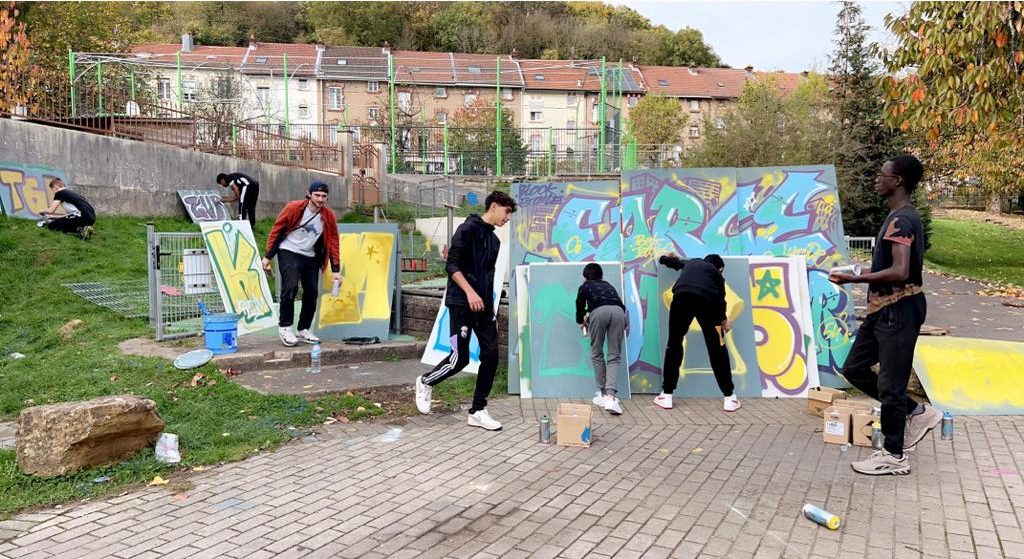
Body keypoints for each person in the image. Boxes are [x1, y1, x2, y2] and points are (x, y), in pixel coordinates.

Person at [830, 155, 939, 476]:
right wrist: (856, 271)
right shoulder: (896, 217)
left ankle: (894, 456)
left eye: (883, 174)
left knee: (891, 384)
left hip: (899, 311)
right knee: (855, 368)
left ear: (898, 181)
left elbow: (901, 270)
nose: (878, 179)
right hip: (883, 311)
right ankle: (916, 412)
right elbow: (886, 267)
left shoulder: (902, 220)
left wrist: (855, 279)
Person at [414, 190, 517, 431]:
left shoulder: (495, 241)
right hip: (461, 303)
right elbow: (452, 264)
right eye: (507, 211)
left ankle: (478, 410)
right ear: (493, 207)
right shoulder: (467, 229)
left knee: (491, 357)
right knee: (459, 358)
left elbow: (490, 279)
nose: (508, 218)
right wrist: (469, 292)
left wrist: (492, 311)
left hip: (484, 308)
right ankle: (426, 381)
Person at [654, 253, 739, 413]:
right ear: (720, 269)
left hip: (681, 298)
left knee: (674, 344)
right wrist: (724, 321)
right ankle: (729, 398)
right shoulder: (717, 274)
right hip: (707, 301)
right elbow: (721, 299)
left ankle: (666, 395)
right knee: (718, 348)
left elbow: (674, 262)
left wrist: (664, 258)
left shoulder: (692, 262)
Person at [262, 181, 340, 347]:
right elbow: (277, 230)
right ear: (309, 194)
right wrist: (268, 256)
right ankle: (285, 327)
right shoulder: (294, 208)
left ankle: (303, 329)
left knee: (312, 292)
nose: (320, 199)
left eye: (324, 196)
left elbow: (333, 241)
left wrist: (336, 270)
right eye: (317, 195)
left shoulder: (328, 215)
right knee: (290, 287)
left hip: (310, 255)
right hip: (288, 250)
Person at [575, 262, 627, 415]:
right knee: (614, 355)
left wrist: (581, 320)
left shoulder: (585, 286)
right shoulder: (608, 285)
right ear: (601, 275)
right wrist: (625, 320)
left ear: (585, 277)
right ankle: (611, 397)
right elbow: (618, 304)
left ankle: (602, 393)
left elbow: (579, 304)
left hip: (598, 312)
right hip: (618, 313)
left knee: (597, 353)